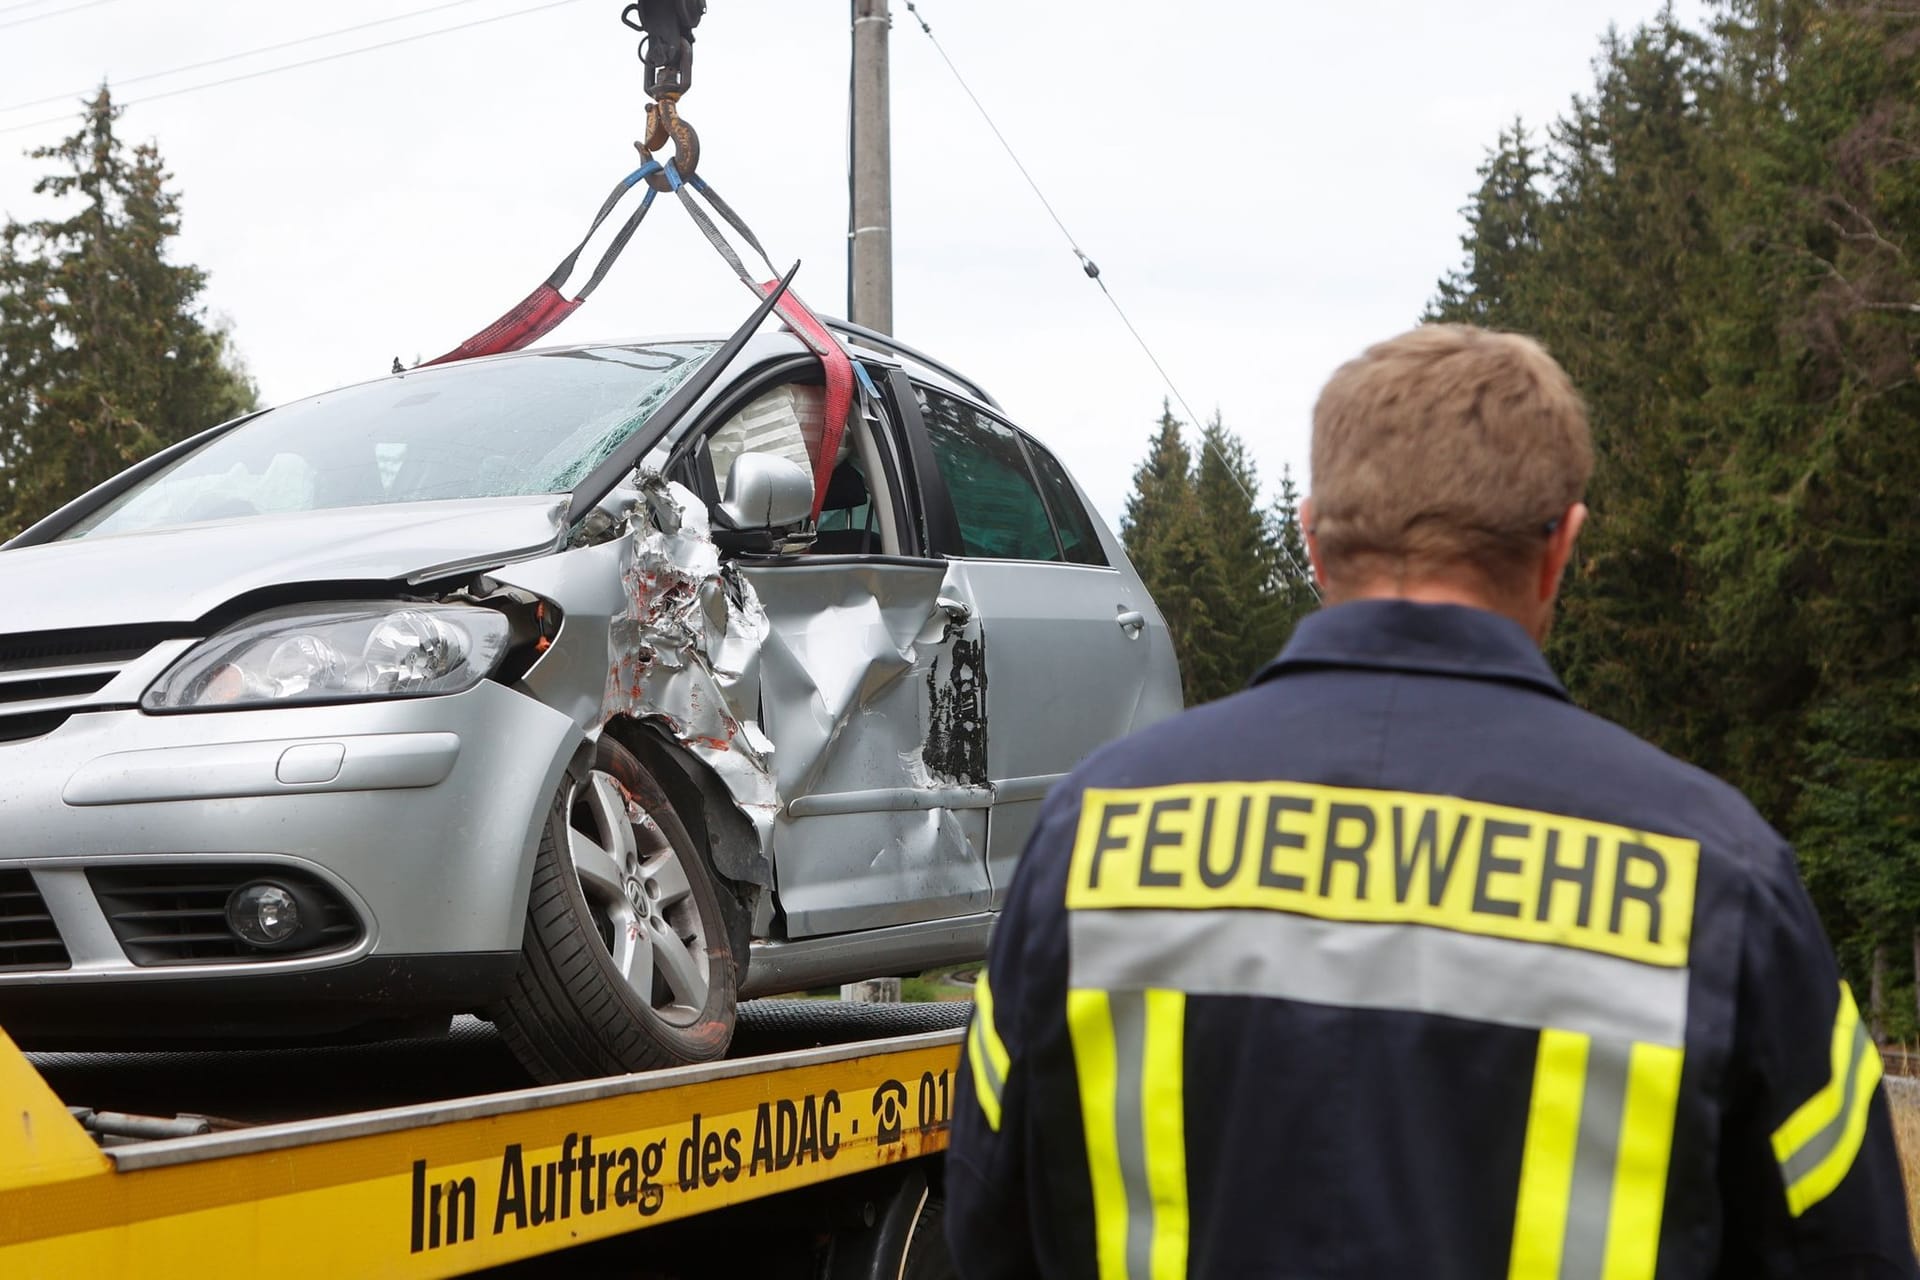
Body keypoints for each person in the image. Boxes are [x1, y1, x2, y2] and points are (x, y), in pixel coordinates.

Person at [944, 324, 1918, 1279]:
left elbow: (984, 1224)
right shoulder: (1719, 873)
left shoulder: (1091, 835)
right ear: (1560, 550)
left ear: (1314, 541)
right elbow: (1851, 1246)